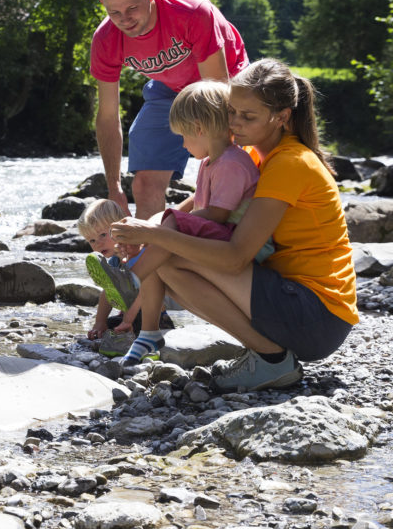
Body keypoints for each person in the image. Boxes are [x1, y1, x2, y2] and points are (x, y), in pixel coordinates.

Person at [109, 59, 359, 392]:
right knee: (166, 254)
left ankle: (271, 359)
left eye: (248, 116)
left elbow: (235, 257)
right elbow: (198, 208)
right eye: (232, 112)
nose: (235, 124)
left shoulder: (290, 163)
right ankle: (262, 351)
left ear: (281, 117)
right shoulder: (257, 154)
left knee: (168, 253)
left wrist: (155, 235)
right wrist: (149, 226)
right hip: (297, 303)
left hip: (316, 316)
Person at [88, 80, 271, 365]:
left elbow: (218, 214)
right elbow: (198, 205)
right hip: (220, 232)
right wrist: (154, 226)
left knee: (166, 228)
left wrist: (162, 227)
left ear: (199, 129)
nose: (183, 146)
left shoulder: (232, 163)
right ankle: (149, 332)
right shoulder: (212, 161)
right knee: (161, 233)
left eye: (183, 137)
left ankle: (131, 278)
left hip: (239, 240)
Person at [91, 0, 248, 219]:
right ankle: (147, 256)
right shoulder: (106, 40)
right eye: (114, 12)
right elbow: (107, 116)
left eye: (132, 8)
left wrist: (213, 167)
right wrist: (114, 187)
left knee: (224, 177)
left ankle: (219, 247)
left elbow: (216, 93)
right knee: (143, 184)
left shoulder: (191, 12)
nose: (125, 19)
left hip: (225, 83)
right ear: (102, 4)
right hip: (169, 87)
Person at [76, 199, 143, 358]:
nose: (98, 243)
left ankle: (138, 330)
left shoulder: (136, 254)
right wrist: (100, 322)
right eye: (92, 240)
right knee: (109, 328)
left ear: (120, 227)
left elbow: (147, 291)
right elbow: (107, 292)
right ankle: (125, 328)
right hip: (129, 316)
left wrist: (128, 319)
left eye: (103, 235)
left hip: (151, 314)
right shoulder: (113, 261)